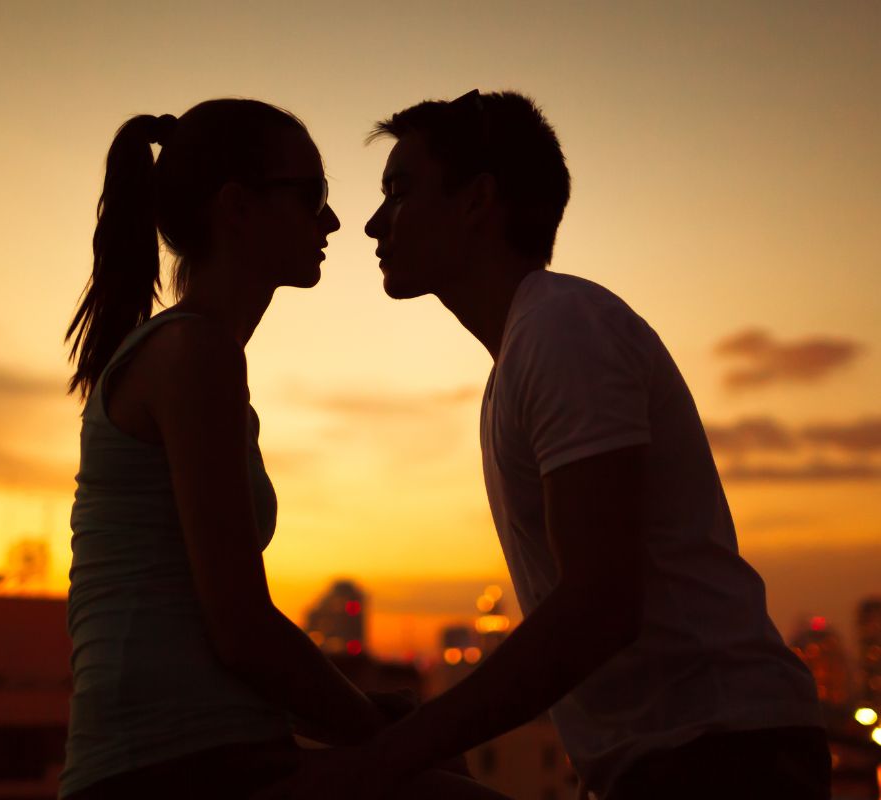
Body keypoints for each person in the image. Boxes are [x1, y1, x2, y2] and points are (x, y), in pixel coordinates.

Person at [261, 90, 831, 800]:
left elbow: (599, 606)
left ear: (477, 202)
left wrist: (388, 757)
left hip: (722, 761)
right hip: (675, 760)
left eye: (399, 192)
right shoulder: (524, 356)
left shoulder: (564, 330)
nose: (374, 224)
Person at [58, 98, 508, 800]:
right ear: (236, 207)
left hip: (206, 752)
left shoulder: (192, 353)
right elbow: (240, 629)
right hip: (171, 767)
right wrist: (382, 731)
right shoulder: (195, 353)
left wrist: (376, 722)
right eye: (312, 196)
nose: (332, 221)